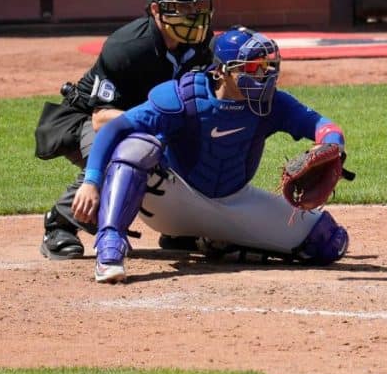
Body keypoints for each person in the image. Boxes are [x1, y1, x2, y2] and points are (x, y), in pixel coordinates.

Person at [73, 26, 350, 283]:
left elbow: (323, 125)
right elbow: (115, 129)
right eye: (252, 67)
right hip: (173, 201)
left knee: (328, 242)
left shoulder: (272, 103)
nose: (263, 75)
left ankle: (225, 244)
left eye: (268, 67)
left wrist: (331, 144)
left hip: (234, 201)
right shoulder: (183, 97)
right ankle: (110, 244)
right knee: (136, 145)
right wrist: (91, 181)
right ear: (221, 71)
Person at [36, 0, 215, 260]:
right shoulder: (128, 48)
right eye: (184, 8)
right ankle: (61, 222)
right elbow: (101, 118)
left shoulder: (203, 45)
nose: (194, 17)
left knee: (204, 144)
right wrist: (162, 123)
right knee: (126, 154)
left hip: (151, 122)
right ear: (157, 10)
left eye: (199, 6)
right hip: (87, 120)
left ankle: (179, 227)